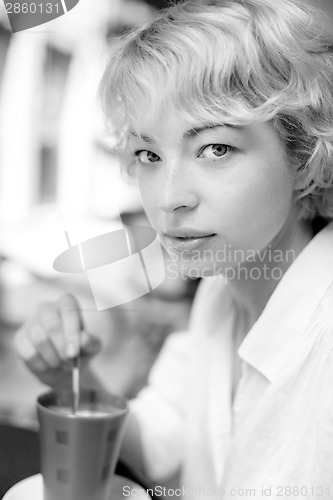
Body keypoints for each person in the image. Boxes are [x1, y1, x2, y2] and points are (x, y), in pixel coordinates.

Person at [16, 0, 333, 498]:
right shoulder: (220, 292)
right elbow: (160, 445)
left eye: (215, 149)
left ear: (306, 159)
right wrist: (70, 372)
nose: (167, 199)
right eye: (148, 154)